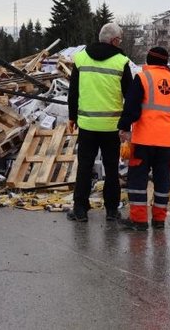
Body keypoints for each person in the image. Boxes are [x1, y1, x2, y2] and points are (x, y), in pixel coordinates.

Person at [117, 47, 170, 231]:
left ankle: (139, 221)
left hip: (142, 141)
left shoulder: (143, 78)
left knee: (137, 180)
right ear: (166, 62)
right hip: (165, 143)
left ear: (148, 60)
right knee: (162, 180)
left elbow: (131, 107)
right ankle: (159, 220)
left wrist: (124, 127)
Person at [66, 23, 133, 222]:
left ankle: (80, 210)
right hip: (111, 127)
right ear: (114, 41)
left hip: (87, 125)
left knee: (84, 167)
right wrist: (126, 124)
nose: (120, 42)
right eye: (119, 39)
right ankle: (111, 210)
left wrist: (72, 117)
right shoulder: (121, 61)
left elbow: (73, 92)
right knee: (111, 169)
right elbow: (130, 96)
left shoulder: (81, 58)